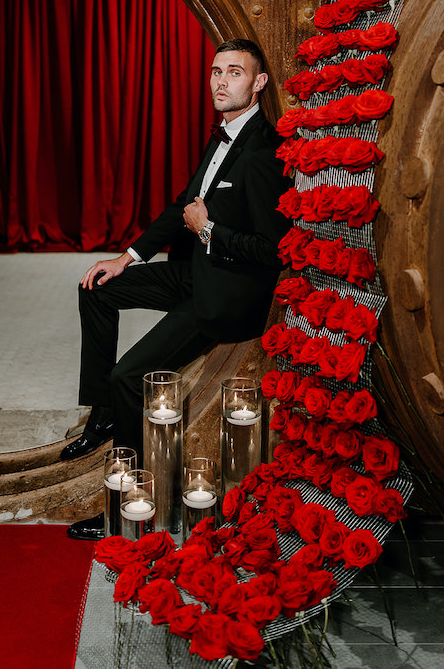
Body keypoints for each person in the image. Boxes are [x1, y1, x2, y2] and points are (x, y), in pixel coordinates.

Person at [63, 38, 291, 540]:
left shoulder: (263, 151)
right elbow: (180, 208)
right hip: (193, 272)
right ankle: (102, 412)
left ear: (258, 84)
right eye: (215, 71)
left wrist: (209, 230)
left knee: (130, 375)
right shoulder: (223, 135)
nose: (220, 81)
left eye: (234, 72)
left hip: (225, 293)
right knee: (97, 288)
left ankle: (129, 503)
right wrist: (128, 257)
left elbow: (275, 250)